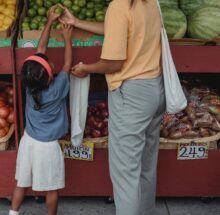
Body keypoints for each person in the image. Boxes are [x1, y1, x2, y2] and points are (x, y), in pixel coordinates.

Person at [60, 0, 165, 214]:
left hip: (132, 95)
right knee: (146, 168)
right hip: (154, 88)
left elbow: (113, 63)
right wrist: (76, 21)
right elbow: (118, 28)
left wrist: (86, 69)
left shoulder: (119, 5)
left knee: (125, 174)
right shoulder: (151, 2)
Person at [9, 6, 73, 215]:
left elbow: (40, 49)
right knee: (51, 188)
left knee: (21, 183)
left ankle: (12, 213)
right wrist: (66, 38)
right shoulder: (57, 88)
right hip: (47, 147)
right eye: (48, 63)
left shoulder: (29, 86)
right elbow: (68, 64)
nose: (49, 59)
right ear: (48, 75)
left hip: (28, 142)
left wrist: (48, 22)